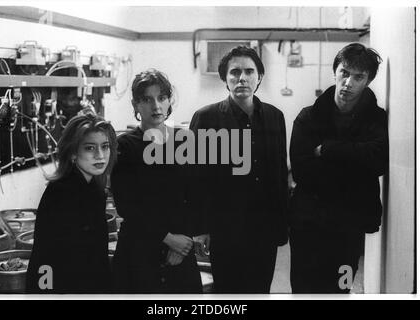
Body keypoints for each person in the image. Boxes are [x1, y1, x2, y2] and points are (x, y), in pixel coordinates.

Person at [289, 43, 388, 293]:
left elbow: (378, 161)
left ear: (368, 81)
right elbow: (302, 171)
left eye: (358, 77)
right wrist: (355, 162)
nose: (348, 83)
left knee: (341, 288)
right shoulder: (308, 117)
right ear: (335, 71)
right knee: (303, 288)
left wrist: (328, 149)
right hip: (308, 223)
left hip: (348, 226)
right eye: (344, 73)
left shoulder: (375, 118)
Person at [189, 46, 288, 293]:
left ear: (259, 77)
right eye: (234, 72)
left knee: (260, 289)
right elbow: (196, 179)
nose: (241, 78)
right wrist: (200, 229)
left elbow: (278, 174)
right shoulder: (206, 118)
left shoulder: (275, 117)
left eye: (249, 71)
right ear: (224, 79)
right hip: (224, 228)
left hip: (264, 227)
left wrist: (281, 225)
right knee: (228, 291)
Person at [111, 69, 202, 293]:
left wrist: (183, 242)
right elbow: (127, 205)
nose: (156, 106)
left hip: (181, 247)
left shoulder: (184, 141)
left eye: (161, 98)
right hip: (139, 250)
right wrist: (168, 238)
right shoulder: (125, 146)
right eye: (147, 100)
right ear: (135, 105)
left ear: (169, 100)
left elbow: (195, 196)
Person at [26, 112, 118, 293]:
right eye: (90, 148)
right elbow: (45, 259)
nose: (100, 155)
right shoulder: (62, 192)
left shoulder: (93, 187)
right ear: (73, 153)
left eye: (105, 146)